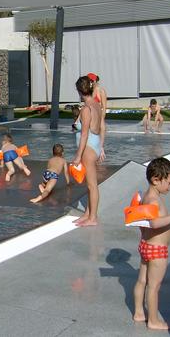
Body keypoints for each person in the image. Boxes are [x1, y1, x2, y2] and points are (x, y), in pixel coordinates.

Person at [132, 157, 170, 330]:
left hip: (146, 245)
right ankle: (154, 320)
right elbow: (155, 223)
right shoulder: (154, 200)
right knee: (154, 287)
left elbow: (143, 222)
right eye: (169, 183)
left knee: (142, 281)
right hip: (157, 250)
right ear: (156, 180)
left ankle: (139, 312)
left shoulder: (146, 197)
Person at [72, 76, 104, 227]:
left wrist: (78, 156)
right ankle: (87, 214)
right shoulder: (97, 104)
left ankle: (93, 218)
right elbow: (102, 126)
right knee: (89, 185)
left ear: (79, 92)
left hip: (88, 148)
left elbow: (84, 134)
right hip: (95, 145)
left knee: (92, 185)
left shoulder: (86, 109)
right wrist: (101, 147)